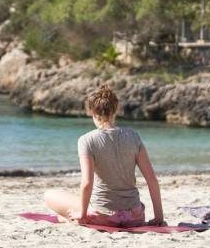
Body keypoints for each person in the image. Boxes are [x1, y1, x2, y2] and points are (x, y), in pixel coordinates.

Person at [44, 85, 165, 227]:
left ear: (93, 112)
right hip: (134, 217)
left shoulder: (86, 140)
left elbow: (87, 183)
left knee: (49, 195)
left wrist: (82, 214)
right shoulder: (133, 136)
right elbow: (152, 180)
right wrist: (159, 217)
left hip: (103, 217)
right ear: (116, 110)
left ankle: (71, 218)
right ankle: (70, 217)